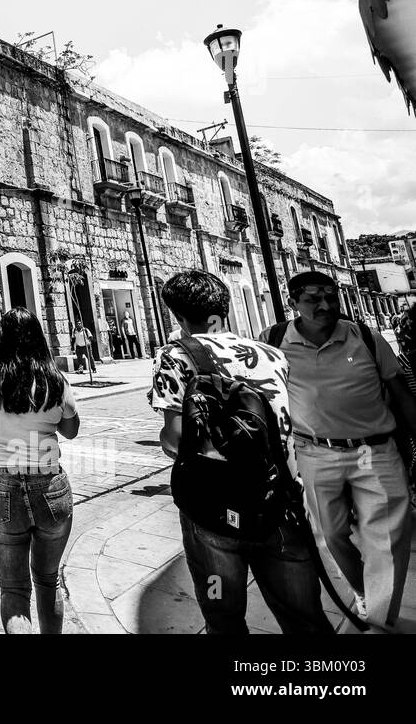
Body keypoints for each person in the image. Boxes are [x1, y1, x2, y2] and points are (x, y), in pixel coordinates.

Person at [150, 270, 333, 635]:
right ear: (223, 311)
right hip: (278, 503)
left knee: (223, 615)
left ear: (179, 317)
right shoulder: (273, 355)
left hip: (213, 510)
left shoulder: (174, 355)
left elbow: (175, 439)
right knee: (305, 617)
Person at [259, 270, 416, 632]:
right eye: (314, 299)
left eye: (331, 296)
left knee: (389, 540)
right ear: (293, 302)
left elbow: (402, 396)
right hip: (315, 453)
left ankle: (380, 617)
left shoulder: (365, 336)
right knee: (330, 535)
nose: (326, 305)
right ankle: (365, 592)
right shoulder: (273, 340)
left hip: (374, 451)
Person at [0, 307, 79, 634]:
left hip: (0, 485)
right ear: (39, 337)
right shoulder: (54, 379)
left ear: (0, 338)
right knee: (49, 579)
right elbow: (71, 430)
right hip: (50, 484)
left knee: (14, 587)